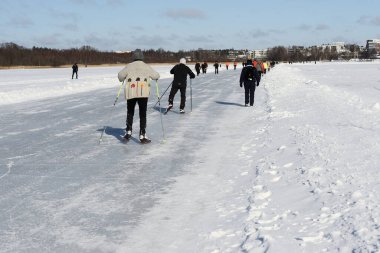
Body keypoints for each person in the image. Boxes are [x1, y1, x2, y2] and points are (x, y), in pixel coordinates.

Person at [118, 49, 160, 143]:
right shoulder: (146, 66)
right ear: (142, 57)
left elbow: (120, 76)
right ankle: (142, 134)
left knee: (130, 112)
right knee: (142, 113)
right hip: (143, 93)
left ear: (133, 57)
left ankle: (128, 131)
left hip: (131, 93)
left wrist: (125, 77)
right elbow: (156, 76)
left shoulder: (129, 66)